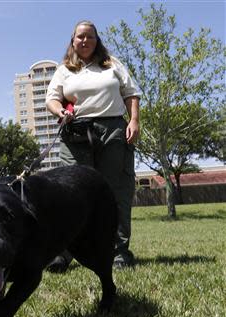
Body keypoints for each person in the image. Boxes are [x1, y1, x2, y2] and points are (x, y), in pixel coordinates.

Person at [46, 20, 141, 270]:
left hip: (113, 132)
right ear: (73, 41)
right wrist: (60, 113)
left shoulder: (112, 63)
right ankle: (63, 253)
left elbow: (131, 93)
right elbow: (52, 99)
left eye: (90, 37)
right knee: (70, 194)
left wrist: (134, 121)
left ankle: (119, 252)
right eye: (80, 37)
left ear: (97, 40)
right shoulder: (64, 69)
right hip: (77, 133)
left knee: (115, 191)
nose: (85, 41)